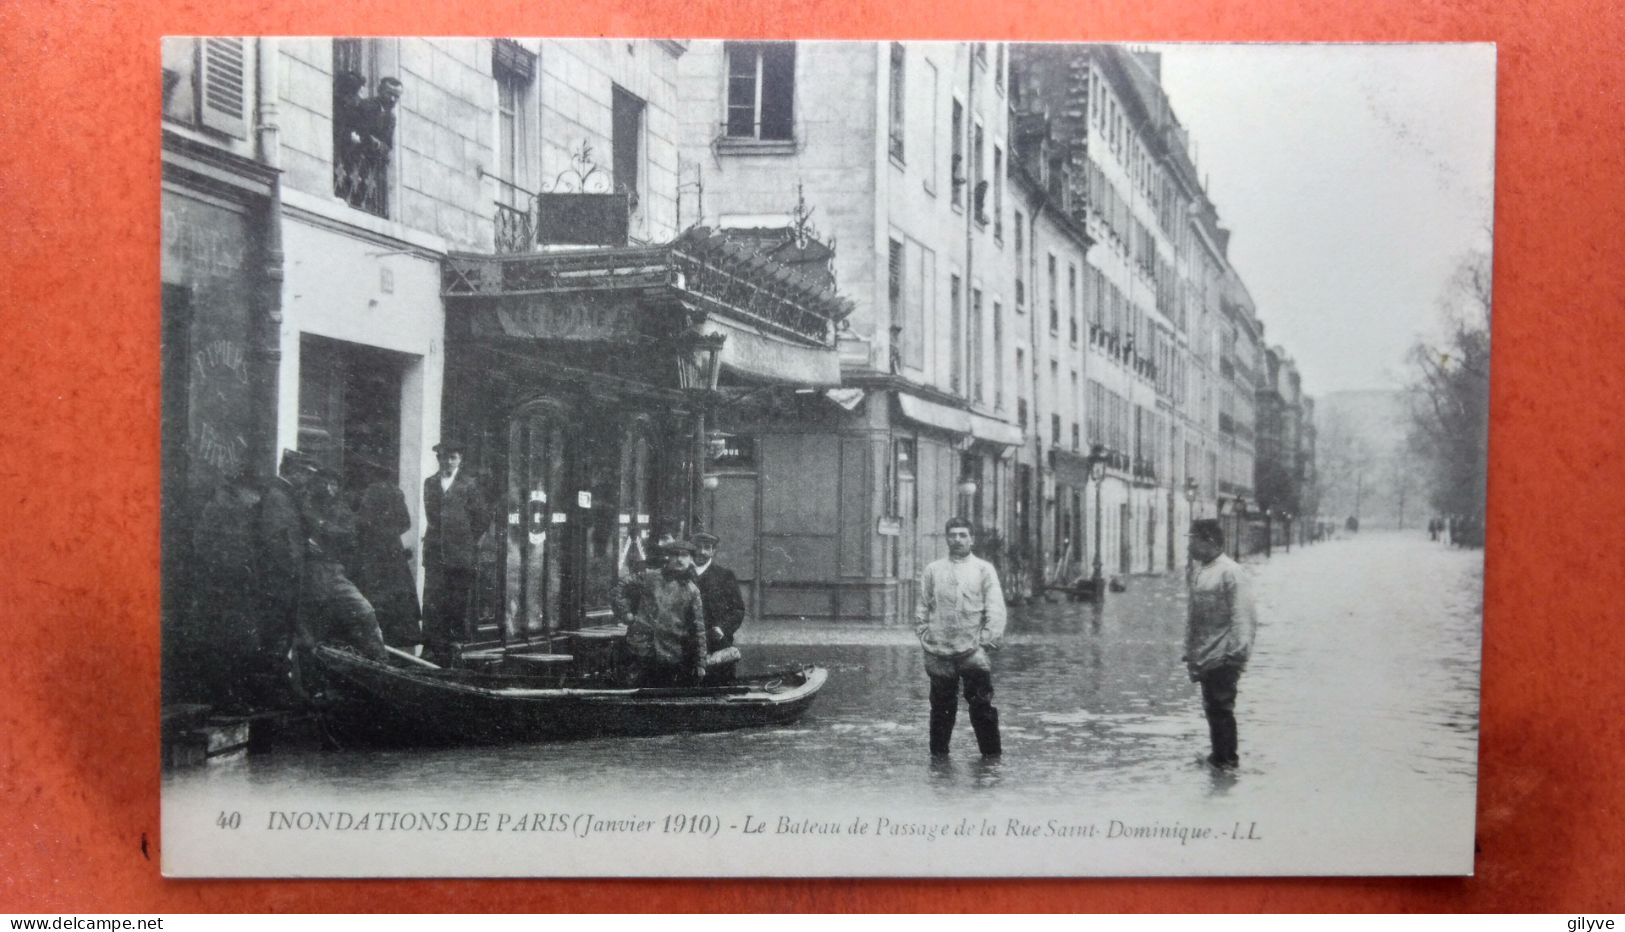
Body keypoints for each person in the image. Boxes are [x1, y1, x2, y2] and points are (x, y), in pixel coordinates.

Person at [915, 517, 1006, 757]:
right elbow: (922, 608)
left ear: (972, 539)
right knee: (941, 712)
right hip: (939, 653)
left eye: (963, 535)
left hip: (973, 653)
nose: (957, 540)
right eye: (952, 535)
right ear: (946, 538)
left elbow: (995, 610)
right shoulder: (933, 570)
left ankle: (991, 766)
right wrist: (926, 636)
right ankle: (939, 766)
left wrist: (984, 643)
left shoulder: (984, 569)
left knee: (982, 709)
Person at [1184, 518, 1258, 771]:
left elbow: (1242, 615)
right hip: (1206, 653)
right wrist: (1190, 651)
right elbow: (1194, 617)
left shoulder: (1231, 572)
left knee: (1222, 707)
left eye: (1193, 540)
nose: (1189, 547)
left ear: (1209, 541)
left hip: (1224, 653)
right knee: (1212, 707)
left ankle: (1227, 760)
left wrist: (1236, 654)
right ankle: (1219, 757)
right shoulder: (1202, 571)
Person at [301, 466, 389, 662]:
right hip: (310, 574)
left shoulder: (341, 510)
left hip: (335, 572)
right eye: (323, 483)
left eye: (333, 484)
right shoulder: (305, 505)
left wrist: (322, 526)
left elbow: (349, 537)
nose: (328, 488)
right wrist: (307, 542)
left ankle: (381, 662)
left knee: (365, 611)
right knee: (311, 631)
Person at [421, 437, 489, 666]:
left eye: (452, 457)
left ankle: (455, 648)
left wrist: (466, 542)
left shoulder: (469, 485)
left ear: (460, 459)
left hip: (460, 556)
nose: (447, 462)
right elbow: (431, 516)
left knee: (457, 602)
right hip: (435, 553)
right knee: (433, 601)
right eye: (443, 457)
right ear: (438, 458)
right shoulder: (430, 483)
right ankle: (431, 648)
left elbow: (481, 519)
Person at [612, 539, 707, 688]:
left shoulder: (692, 590)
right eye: (675, 555)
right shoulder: (649, 577)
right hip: (639, 651)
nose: (680, 559)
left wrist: (701, 663)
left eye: (685, 555)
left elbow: (699, 629)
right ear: (668, 557)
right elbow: (619, 588)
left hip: (670, 656)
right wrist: (626, 614)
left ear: (691, 559)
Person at [352, 458, 422, 653]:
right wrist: (390, 534)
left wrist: (375, 534)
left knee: (375, 600)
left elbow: (361, 523)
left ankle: (378, 649)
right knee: (396, 603)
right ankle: (395, 649)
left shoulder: (369, 493)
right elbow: (406, 523)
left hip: (374, 555)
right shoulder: (395, 492)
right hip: (393, 553)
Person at [692, 531, 747, 682]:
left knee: (721, 686)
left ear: (713, 551)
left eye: (707, 547)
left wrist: (723, 628)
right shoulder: (683, 574)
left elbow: (738, 609)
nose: (702, 552)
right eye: (697, 547)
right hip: (688, 644)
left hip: (718, 644)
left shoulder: (725, 576)